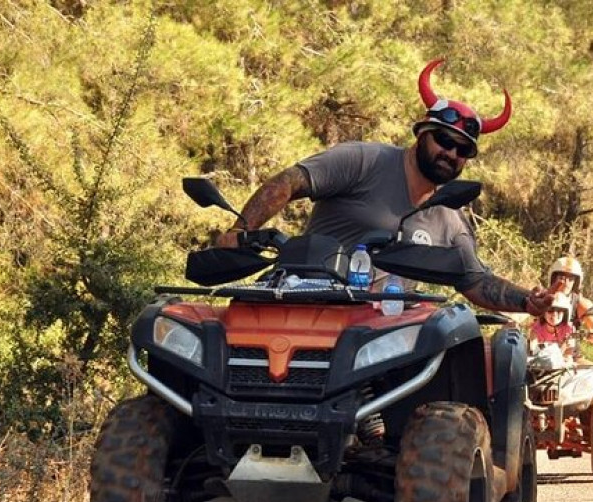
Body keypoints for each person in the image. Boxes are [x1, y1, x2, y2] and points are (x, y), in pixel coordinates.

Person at [213, 58, 553, 316]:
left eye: (463, 150)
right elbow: (288, 182)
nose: (450, 153)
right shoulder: (364, 161)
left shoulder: (450, 217)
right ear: (422, 133)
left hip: (381, 341)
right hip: (306, 303)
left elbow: (476, 281)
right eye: (444, 140)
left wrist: (528, 301)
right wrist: (241, 229)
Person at [546, 256, 593, 343]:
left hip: (568, 350)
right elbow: (522, 313)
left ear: (576, 282)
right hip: (540, 348)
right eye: (561, 277)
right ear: (553, 278)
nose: (566, 282)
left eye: (571, 278)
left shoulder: (579, 302)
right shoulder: (541, 297)